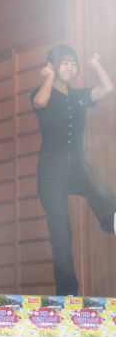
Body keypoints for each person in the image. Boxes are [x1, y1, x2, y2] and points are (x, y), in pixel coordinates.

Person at [32, 44, 116, 296]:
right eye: (65, 63)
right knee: (60, 231)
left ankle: (111, 219)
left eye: (73, 64)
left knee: (100, 189)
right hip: (51, 169)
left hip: (76, 163)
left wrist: (95, 64)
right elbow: (41, 101)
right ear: (53, 65)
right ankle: (67, 292)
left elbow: (108, 88)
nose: (70, 68)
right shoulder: (41, 92)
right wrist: (49, 77)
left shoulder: (79, 96)